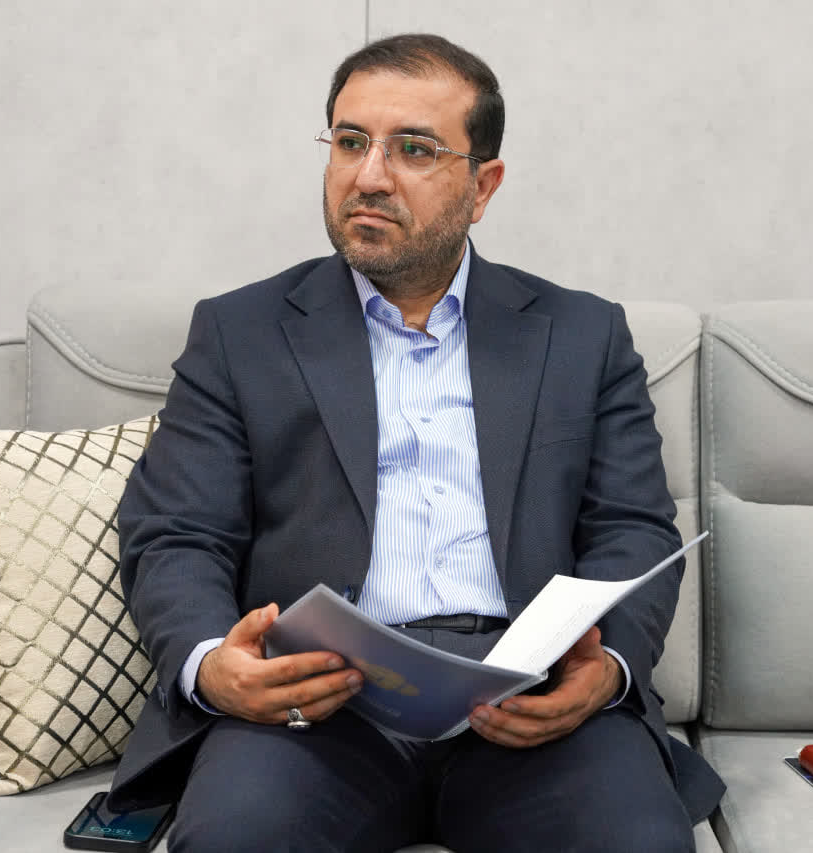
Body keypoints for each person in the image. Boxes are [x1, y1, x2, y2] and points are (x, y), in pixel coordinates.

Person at [109, 32, 724, 852]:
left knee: (639, 842)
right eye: (350, 141)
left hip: (525, 695)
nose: (369, 175)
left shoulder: (582, 335)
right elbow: (177, 532)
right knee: (232, 837)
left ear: (482, 185)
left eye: (413, 149)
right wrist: (213, 661)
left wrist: (604, 668)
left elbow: (633, 528)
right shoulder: (239, 333)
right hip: (319, 705)